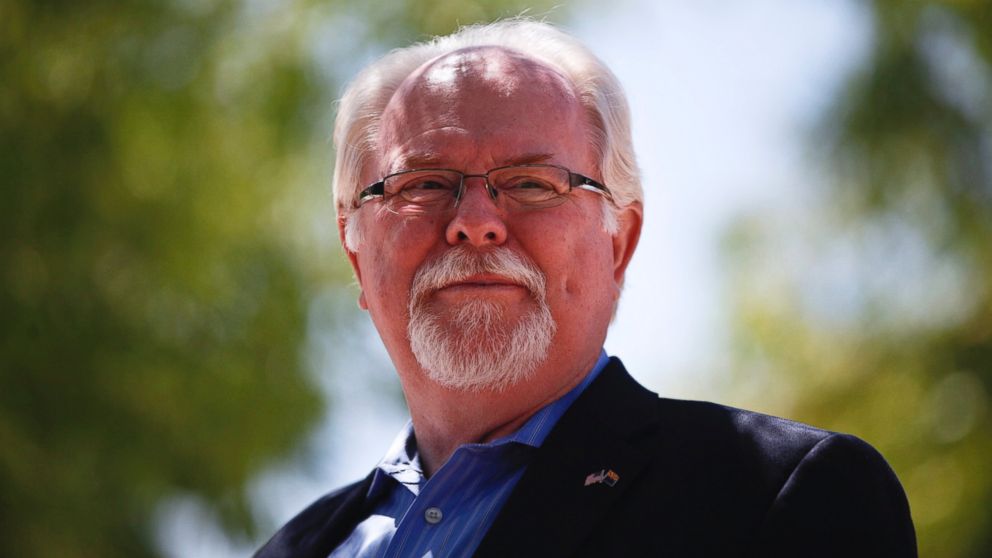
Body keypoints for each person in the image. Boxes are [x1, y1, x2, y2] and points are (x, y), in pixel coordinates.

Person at [256, 19, 916, 558]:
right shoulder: (294, 548)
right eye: (423, 184)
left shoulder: (776, 496)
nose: (475, 224)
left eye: (533, 184)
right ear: (356, 252)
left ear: (617, 242)